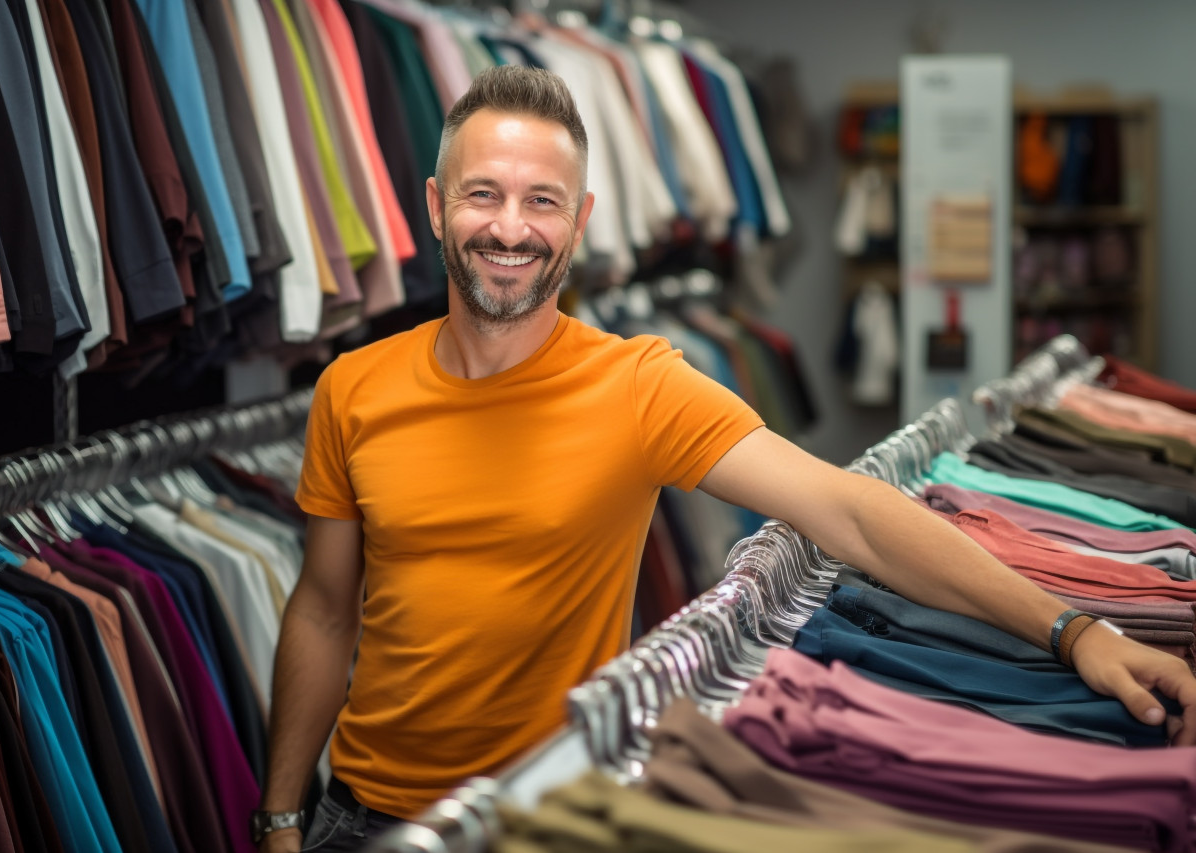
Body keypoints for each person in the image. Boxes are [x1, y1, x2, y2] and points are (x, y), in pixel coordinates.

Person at [253, 66, 1196, 853]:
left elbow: (854, 514)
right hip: (355, 818)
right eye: (482, 193)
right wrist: (281, 816)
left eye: (541, 200)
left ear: (578, 222)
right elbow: (326, 607)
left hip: (537, 814)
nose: (510, 228)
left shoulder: (637, 385)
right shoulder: (353, 387)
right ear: (434, 204)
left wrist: (1077, 632)